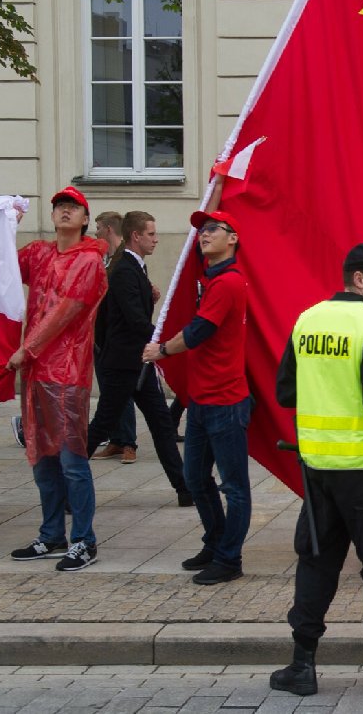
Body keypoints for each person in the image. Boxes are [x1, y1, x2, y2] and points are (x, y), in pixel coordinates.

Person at [270, 243, 363, 697]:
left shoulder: (307, 319)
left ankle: (302, 664)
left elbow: (286, 392)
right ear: (359, 279)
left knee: (316, 563)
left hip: (316, 470)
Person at [143, 209, 251, 585]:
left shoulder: (229, 283)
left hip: (225, 401)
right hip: (202, 399)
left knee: (234, 486)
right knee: (195, 478)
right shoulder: (209, 279)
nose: (203, 235)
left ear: (233, 238)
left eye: (212, 229)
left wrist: (163, 350)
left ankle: (229, 558)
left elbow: (200, 330)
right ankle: (216, 541)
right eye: (201, 230)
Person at [7, 187, 108, 571]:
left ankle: (84, 540)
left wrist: (26, 349)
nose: (65, 212)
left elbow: (65, 311)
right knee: (41, 458)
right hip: (35, 373)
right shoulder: (39, 253)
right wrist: (4, 227)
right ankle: (52, 535)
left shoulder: (89, 261)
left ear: (85, 218)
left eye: (73, 208)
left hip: (66, 373)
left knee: (71, 459)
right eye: (60, 207)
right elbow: (1, 265)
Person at [86, 211, 191, 506]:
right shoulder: (124, 270)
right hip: (122, 364)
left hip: (137, 363)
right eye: (152, 234)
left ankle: (184, 489)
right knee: (102, 425)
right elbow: (132, 320)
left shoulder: (134, 268)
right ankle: (69, 485)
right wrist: (166, 341)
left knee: (160, 424)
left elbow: (126, 311)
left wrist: (149, 296)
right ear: (136, 236)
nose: (156, 239)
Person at [90, 210, 138, 461]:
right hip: (101, 334)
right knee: (109, 389)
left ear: (108, 229)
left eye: (98, 228)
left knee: (121, 390)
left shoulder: (123, 260)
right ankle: (117, 439)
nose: (95, 232)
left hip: (116, 337)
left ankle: (128, 442)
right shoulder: (105, 259)